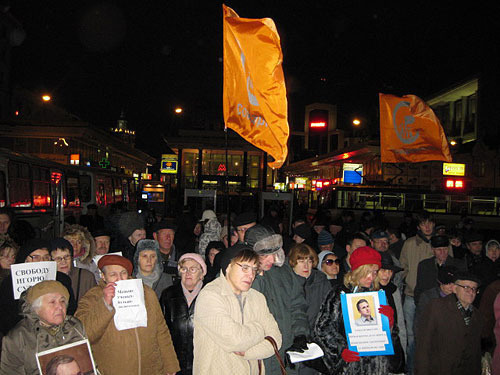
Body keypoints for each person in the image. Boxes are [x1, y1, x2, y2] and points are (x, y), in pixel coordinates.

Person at [75, 255, 180, 375]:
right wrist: (105, 304)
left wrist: (170, 365)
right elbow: (84, 334)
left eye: (123, 273)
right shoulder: (92, 297)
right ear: (103, 276)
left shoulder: (146, 293)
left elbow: (161, 330)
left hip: (151, 368)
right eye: (113, 274)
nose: (119, 279)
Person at [193, 246, 281, 374]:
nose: (251, 275)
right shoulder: (210, 295)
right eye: (245, 268)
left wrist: (249, 352)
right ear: (228, 267)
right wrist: (260, 329)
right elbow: (234, 340)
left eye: (254, 269)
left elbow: (276, 340)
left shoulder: (257, 298)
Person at [313, 246, 398, 374]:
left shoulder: (378, 295)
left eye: (375, 272)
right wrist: (340, 350)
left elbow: (392, 336)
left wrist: (389, 323)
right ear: (357, 271)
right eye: (367, 272)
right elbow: (322, 329)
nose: (371, 277)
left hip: (376, 366)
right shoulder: (339, 294)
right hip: (349, 367)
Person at [244, 224, 310, 375]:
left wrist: (300, 335)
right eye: (265, 255)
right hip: (258, 357)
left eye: (274, 253)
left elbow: (298, 306)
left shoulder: (284, 273)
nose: (271, 259)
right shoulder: (241, 278)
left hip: (286, 352)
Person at [0, 280, 87, 375]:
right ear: (36, 308)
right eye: (52, 302)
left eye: (62, 301)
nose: (60, 307)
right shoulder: (17, 338)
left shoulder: (74, 326)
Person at [0, 239, 77, 336]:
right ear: (24, 259)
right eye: (36, 257)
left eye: (46, 257)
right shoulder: (9, 284)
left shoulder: (62, 280)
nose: (42, 261)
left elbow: (70, 308)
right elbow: (5, 316)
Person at [415, 272, 483, 375]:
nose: (471, 292)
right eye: (466, 287)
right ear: (455, 289)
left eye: (474, 289)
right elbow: (423, 345)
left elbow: (476, 352)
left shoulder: (477, 315)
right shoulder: (436, 307)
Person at [399, 210, 440, 373]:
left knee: (434, 334)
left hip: (435, 296)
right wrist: (409, 279)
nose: (427, 226)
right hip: (411, 296)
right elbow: (403, 266)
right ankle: (411, 368)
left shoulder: (441, 243)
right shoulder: (409, 244)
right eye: (424, 223)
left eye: (430, 223)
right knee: (411, 335)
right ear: (418, 226)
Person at [161, 253, 207, 375]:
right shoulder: (168, 294)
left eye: (193, 269)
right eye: (184, 269)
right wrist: (167, 362)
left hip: (204, 362)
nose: (188, 273)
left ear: (202, 273)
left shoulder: (210, 294)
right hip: (176, 362)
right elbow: (161, 331)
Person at [289, 243, 331, 329]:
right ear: (293, 263)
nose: (306, 266)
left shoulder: (321, 281)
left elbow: (328, 311)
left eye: (309, 261)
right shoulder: (285, 282)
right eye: (301, 261)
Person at [376, 251, 407, 372]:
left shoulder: (394, 291)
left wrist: (403, 353)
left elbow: (400, 324)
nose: (387, 275)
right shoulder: (367, 292)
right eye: (383, 270)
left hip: (393, 347)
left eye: (390, 271)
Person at [414, 235, 465, 304]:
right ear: (432, 250)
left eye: (445, 249)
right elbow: (419, 288)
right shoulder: (424, 265)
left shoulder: (459, 265)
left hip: (451, 304)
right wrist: (420, 303)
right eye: (439, 250)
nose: (442, 252)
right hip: (429, 304)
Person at [49, 238, 96, 302]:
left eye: (67, 257)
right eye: (58, 258)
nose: (63, 262)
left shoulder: (86, 278)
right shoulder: (47, 280)